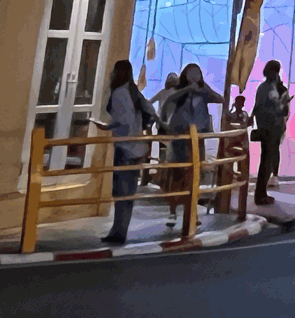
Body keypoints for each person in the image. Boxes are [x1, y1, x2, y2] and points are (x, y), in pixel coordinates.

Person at [94, 59, 158, 244]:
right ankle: (121, 229)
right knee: (128, 193)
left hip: (124, 147)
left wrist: (108, 127)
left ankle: (118, 231)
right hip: (137, 148)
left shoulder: (120, 93)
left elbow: (124, 122)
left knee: (121, 192)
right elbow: (150, 111)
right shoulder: (134, 92)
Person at [157, 63, 222, 234]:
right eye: (192, 73)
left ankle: (192, 213)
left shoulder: (202, 93)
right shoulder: (179, 92)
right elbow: (168, 102)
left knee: (195, 175)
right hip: (181, 138)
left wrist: (205, 89)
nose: (195, 76)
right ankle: (172, 212)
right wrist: (164, 124)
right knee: (177, 174)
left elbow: (220, 99)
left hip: (198, 138)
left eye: (198, 73)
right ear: (185, 75)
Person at [252, 60, 292, 206]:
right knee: (266, 161)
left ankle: (262, 193)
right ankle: (260, 194)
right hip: (269, 128)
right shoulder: (267, 88)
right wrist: (282, 103)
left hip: (273, 127)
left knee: (267, 161)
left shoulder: (271, 87)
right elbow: (269, 108)